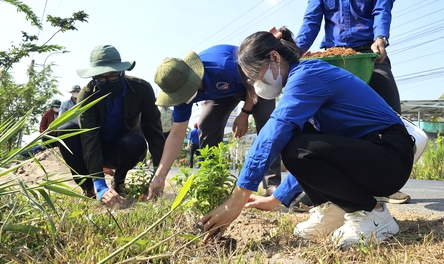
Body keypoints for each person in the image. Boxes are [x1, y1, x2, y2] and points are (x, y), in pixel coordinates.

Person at [199, 28, 414, 247]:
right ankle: (334, 210)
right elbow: (318, 150)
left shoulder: (307, 74)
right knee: (296, 139)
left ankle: (374, 215)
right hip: (373, 153)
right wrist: (276, 198)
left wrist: (236, 200)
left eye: (255, 75)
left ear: (275, 57)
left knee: (294, 145)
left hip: (390, 155)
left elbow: (276, 134)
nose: (255, 85)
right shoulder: (301, 80)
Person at [294, 0, 410, 205]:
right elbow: (311, 22)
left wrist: (380, 38)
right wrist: (295, 52)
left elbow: (382, 9)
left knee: (388, 110)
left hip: (369, 55)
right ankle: (321, 185)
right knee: (316, 118)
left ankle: (388, 179)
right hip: (332, 59)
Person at [146, 44, 280, 199]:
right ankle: (213, 182)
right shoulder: (180, 93)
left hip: (254, 84)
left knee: (267, 123)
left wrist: (244, 114)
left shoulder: (224, 66)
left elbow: (255, 82)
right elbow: (176, 135)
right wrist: (160, 176)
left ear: (193, 80)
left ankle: (272, 184)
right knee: (206, 125)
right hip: (222, 94)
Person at [58, 45, 165, 204]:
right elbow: (89, 138)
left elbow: (154, 131)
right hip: (95, 149)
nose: (108, 82)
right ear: (94, 77)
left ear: (123, 72)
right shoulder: (87, 94)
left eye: (114, 77)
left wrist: (159, 173)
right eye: (101, 78)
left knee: (135, 142)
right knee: (66, 132)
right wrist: (100, 185)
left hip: (123, 148)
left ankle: (118, 181)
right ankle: (88, 188)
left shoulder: (141, 90)